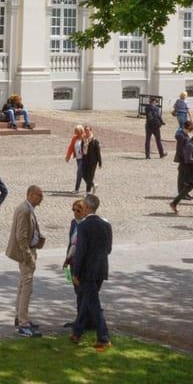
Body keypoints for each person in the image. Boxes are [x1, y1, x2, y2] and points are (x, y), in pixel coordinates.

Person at [67, 193, 112, 350]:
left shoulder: (83, 226)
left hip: (87, 271)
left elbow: (80, 252)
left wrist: (75, 273)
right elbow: (108, 249)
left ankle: (104, 337)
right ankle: (77, 332)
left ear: (86, 208)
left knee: (93, 304)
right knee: (87, 301)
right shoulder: (106, 225)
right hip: (101, 269)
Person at [6, 185, 46, 337]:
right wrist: (29, 257)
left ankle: (20, 317)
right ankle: (23, 322)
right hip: (25, 254)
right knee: (26, 288)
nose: (41, 199)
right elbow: (21, 237)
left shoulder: (27, 208)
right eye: (39, 195)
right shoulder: (25, 210)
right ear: (30, 194)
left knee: (23, 285)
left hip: (28, 251)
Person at [76, 126, 103, 196]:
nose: (87, 132)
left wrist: (100, 162)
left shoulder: (95, 141)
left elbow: (98, 152)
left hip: (93, 162)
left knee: (90, 176)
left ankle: (88, 192)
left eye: (88, 130)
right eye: (85, 130)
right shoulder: (84, 140)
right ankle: (93, 184)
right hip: (85, 160)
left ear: (91, 131)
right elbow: (82, 148)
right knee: (84, 174)